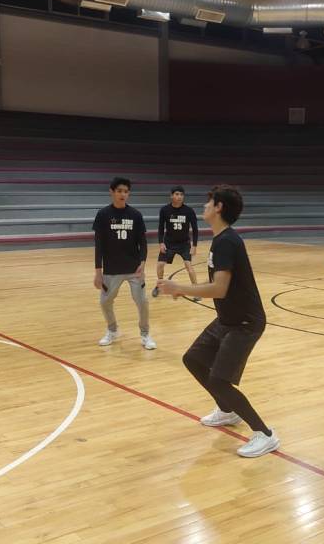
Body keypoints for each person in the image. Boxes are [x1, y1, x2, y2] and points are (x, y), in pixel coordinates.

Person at [157, 185, 278, 458]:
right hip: (226, 319)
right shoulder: (221, 239)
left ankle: (265, 434)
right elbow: (218, 287)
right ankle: (227, 411)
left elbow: (219, 289)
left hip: (245, 323)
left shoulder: (227, 241)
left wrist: (180, 288)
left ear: (219, 207)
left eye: (209, 201)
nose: (204, 206)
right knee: (193, 359)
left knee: (220, 379)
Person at [93, 177, 156, 350]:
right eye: (119, 191)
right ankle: (112, 330)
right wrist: (98, 271)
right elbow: (99, 245)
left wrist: (143, 261)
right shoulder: (103, 215)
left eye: (126, 191)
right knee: (105, 302)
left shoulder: (135, 215)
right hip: (111, 269)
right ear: (111, 192)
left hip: (134, 268)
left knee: (142, 301)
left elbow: (143, 242)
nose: (123, 194)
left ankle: (145, 334)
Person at [153, 186, 200, 301]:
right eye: (177, 194)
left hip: (184, 244)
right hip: (169, 243)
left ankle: (196, 291)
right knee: (160, 265)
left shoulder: (189, 211)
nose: (179, 197)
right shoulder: (164, 210)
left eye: (181, 195)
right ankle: (159, 287)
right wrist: (161, 243)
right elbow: (160, 228)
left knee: (189, 267)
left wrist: (194, 246)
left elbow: (195, 229)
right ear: (172, 196)